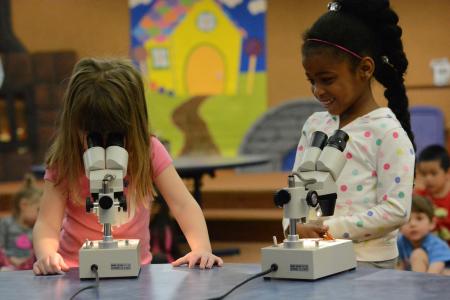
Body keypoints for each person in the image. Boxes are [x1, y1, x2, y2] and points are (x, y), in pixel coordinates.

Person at [32, 58, 223, 275]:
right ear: (73, 124)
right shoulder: (65, 158)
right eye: (92, 135)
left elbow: (183, 205)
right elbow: (47, 222)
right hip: (75, 270)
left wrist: (201, 249)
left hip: (135, 270)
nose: (104, 145)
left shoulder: (148, 150)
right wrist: (47, 255)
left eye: (115, 136)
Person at [291, 0, 415, 268]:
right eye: (311, 81)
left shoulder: (387, 132)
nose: (317, 90)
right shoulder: (314, 125)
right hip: (314, 258)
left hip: (368, 265)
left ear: (365, 69)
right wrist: (295, 225)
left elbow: (396, 209)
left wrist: (328, 229)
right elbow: (296, 189)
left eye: (327, 79)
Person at [397, 195, 450, 274]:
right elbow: (399, 266)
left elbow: (434, 271)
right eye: (407, 219)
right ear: (399, 226)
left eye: (419, 218)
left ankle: (418, 286)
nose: (412, 224)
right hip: (417, 279)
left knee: (418, 254)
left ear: (432, 223)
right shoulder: (401, 242)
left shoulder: (436, 244)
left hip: (439, 280)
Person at [0, 174, 42, 271]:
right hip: (7, 266)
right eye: (38, 210)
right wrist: (9, 260)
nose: (41, 215)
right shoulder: (6, 223)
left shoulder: (37, 228)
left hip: (28, 268)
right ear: (24, 205)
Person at [415, 145, 450, 245]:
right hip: (427, 248)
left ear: (447, 173)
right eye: (424, 174)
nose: (428, 179)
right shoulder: (419, 198)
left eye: (433, 173)